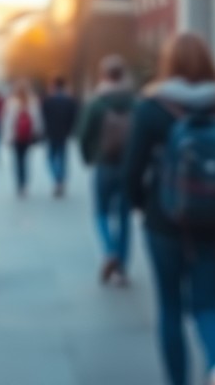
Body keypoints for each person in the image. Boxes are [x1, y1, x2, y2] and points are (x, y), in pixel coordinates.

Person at [123, 32, 215, 385]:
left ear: (168, 64)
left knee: (170, 308)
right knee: (207, 305)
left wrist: (143, 206)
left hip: (163, 224)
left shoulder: (151, 109)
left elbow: (132, 172)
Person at [78, 54, 137, 286]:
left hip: (104, 165)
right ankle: (121, 268)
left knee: (101, 212)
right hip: (128, 166)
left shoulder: (96, 103)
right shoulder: (134, 102)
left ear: (103, 75)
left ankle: (110, 250)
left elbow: (84, 135)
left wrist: (89, 158)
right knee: (124, 217)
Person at [2, 79, 43, 198]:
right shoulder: (33, 102)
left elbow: (7, 121)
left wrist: (7, 137)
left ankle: (20, 184)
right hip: (27, 136)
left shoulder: (11, 103)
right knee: (25, 160)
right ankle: (24, 183)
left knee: (17, 161)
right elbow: (37, 119)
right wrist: (37, 133)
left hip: (15, 136)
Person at [41, 76, 79, 198]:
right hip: (64, 133)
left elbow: (43, 117)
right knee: (62, 157)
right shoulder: (70, 101)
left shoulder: (48, 100)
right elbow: (74, 117)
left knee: (51, 158)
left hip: (51, 133)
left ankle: (58, 179)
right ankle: (61, 179)